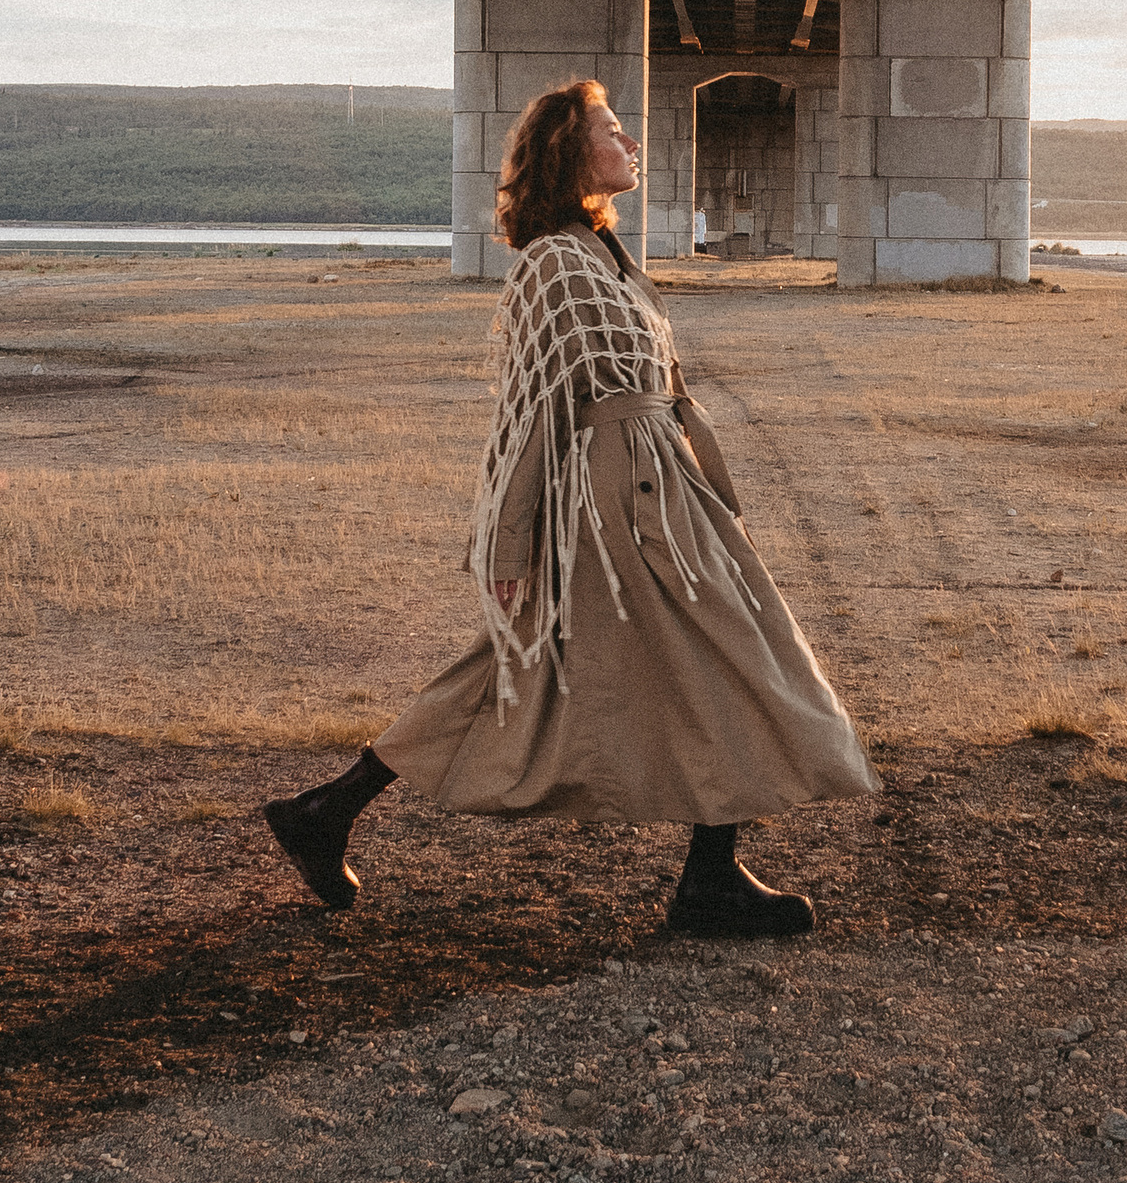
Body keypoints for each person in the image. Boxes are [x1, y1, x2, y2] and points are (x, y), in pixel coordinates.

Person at [263, 77, 875, 937]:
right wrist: (511, 546)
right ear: (568, 150)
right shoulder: (552, 262)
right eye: (612, 129)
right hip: (613, 502)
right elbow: (533, 415)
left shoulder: (604, 252)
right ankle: (706, 878)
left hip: (663, 486)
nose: (631, 143)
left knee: (575, 663)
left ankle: (328, 810)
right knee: (714, 654)